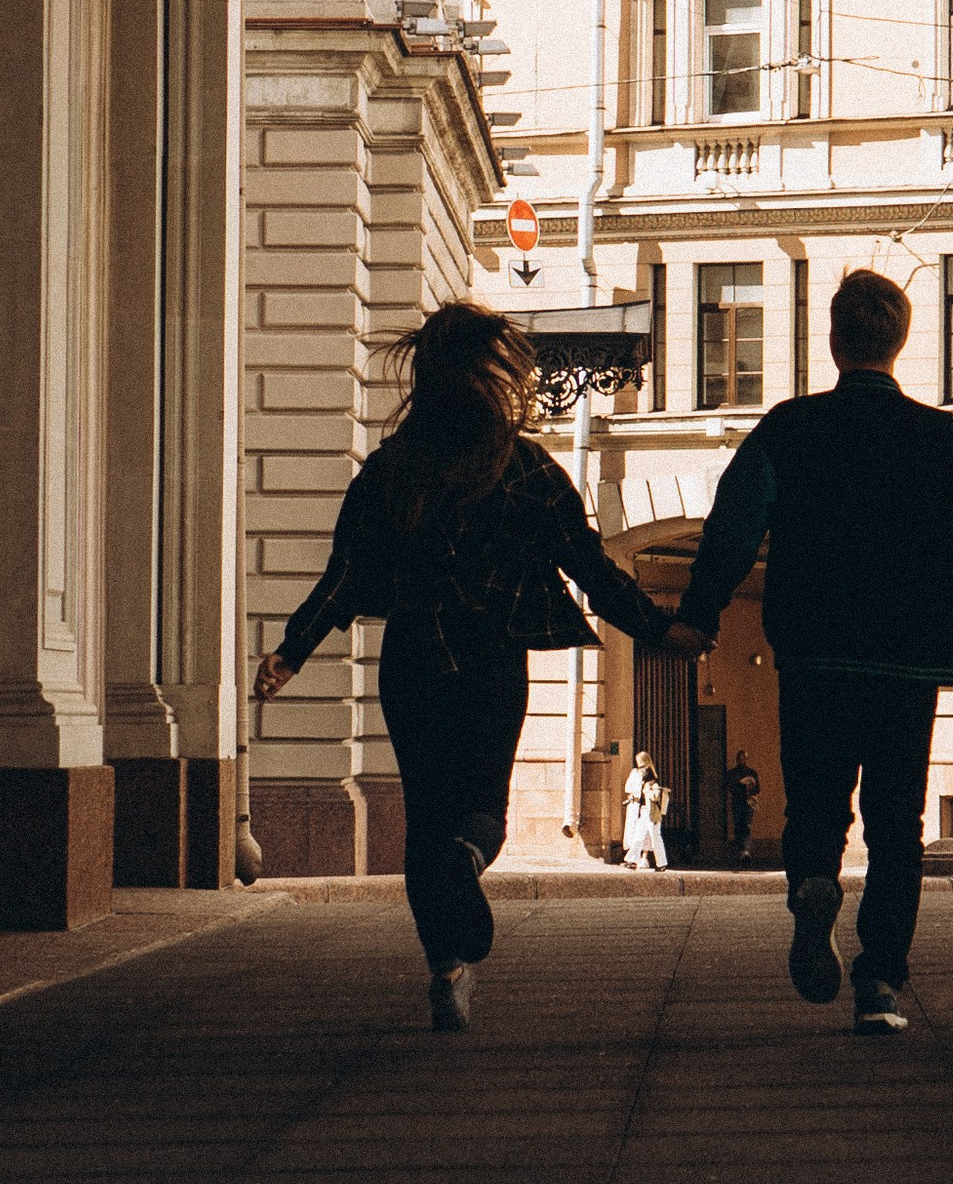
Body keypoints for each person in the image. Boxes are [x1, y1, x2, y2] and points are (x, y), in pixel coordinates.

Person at [256, 301, 672, 1028]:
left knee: (424, 819)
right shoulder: (525, 468)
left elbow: (342, 576)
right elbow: (593, 570)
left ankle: (446, 970)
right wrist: (663, 629)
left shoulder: (390, 470)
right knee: (482, 807)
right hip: (490, 660)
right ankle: (469, 858)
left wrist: (291, 652)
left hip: (413, 660)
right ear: (487, 375)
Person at [668, 268, 953, 1032]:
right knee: (896, 820)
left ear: (834, 340)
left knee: (816, 802)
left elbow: (731, 529)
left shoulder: (788, 429)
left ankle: (813, 883)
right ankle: (879, 984)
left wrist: (701, 613)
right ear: (901, 341)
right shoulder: (949, 442)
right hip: (910, 661)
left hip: (814, 655)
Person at [621, 748, 670, 871]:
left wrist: (646, 790)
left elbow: (654, 794)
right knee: (638, 835)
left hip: (651, 810)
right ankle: (631, 860)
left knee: (655, 836)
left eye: (641, 765)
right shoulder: (644, 775)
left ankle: (662, 863)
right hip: (644, 810)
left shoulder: (651, 776)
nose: (640, 768)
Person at [726, 748, 760, 857]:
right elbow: (730, 787)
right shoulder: (732, 773)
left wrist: (751, 787)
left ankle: (746, 849)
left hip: (748, 802)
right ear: (737, 760)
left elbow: (758, 789)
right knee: (738, 825)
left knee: (746, 825)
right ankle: (740, 849)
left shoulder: (752, 772)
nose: (741, 761)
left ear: (746, 760)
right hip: (737, 801)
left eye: (743, 759)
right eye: (740, 759)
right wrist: (740, 783)